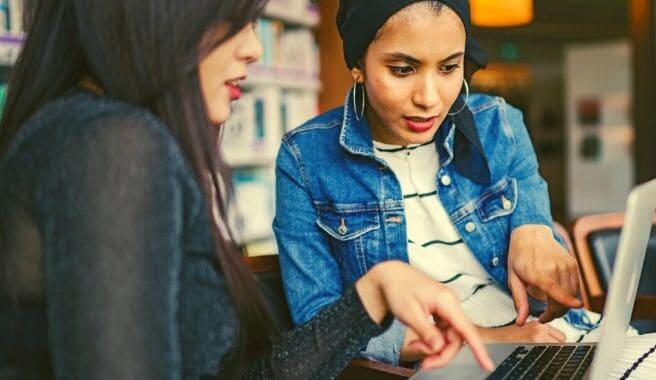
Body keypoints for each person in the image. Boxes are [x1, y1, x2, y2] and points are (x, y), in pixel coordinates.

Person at [0, 0, 494, 378]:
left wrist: (373, 294)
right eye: (235, 18)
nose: (254, 48)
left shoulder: (95, 134)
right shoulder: (111, 146)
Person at [275, 0, 589, 366]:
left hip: (549, 337)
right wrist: (487, 341)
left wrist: (534, 230)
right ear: (358, 65)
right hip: (442, 365)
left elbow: (536, 225)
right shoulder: (304, 158)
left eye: (449, 68)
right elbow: (322, 324)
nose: (429, 98)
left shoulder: (499, 123)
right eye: (403, 69)